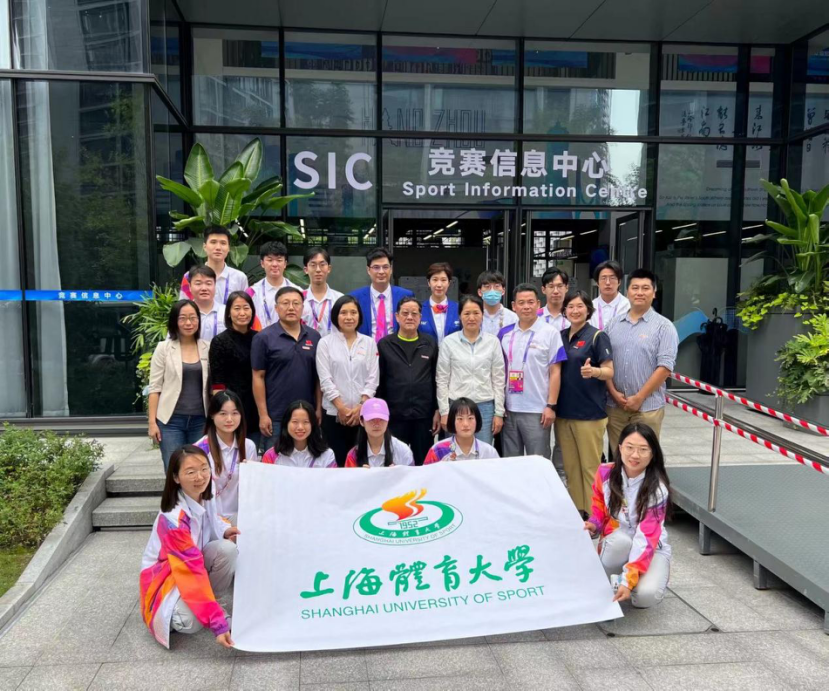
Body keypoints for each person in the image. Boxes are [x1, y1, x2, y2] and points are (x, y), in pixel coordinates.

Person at [140, 445, 240, 649]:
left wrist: (224, 531)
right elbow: (191, 573)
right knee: (192, 622)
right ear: (176, 477)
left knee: (227, 549)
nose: (200, 477)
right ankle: (179, 614)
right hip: (166, 577)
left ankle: (210, 603)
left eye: (204, 468)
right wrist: (219, 625)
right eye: (190, 472)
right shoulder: (173, 520)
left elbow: (213, 518)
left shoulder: (205, 490)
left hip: (191, 564)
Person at [584, 422, 672, 609]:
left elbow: (646, 537)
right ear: (620, 448)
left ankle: (631, 580)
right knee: (621, 541)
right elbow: (599, 505)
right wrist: (594, 524)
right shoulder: (605, 472)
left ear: (653, 454)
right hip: (618, 541)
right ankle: (606, 582)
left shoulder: (658, 489)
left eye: (643, 449)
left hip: (651, 547)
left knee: (645, 597)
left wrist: (628, 580)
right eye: (629, 447)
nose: (635, 455)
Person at [605, 269, 679, 451]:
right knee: (619, 456)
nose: (639, 292)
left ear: (654, 293)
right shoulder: (613, 324)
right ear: (627, 292)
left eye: (645, 288)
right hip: (615, 407)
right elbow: (604, 362)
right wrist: (613, 392)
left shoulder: (664, 327)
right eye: (635, 288)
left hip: (647, 408)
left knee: (644, 457)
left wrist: (639, 397)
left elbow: (665, 367)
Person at [555, 291, 614, 516]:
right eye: (570, 307)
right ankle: (578, 513)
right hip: (564, 413)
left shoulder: (597, 336)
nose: (575, 310)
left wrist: (594, 371)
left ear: (588, 309)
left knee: (590, 468)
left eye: (580, 306)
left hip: (589, 413)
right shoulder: (560, 336)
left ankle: (596, 516)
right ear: (564, 311)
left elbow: (609, 371)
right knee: (571, 468)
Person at [498, 283, 566, 459]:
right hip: (509, 409)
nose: (526, 307)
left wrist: (551, 406)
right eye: (521, 303)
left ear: (538, 304)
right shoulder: (504, 333)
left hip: (537, 410)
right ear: (514, 306)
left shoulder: (550, 333)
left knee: (538, 460)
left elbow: (555, 372)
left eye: (530, 302)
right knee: (511, 461)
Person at [252, 286, 322, 451]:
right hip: (276, 416)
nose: (291, 308)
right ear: (276, 308)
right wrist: (263, 414)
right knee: (274, 459)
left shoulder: (314, 336)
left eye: (296, 303)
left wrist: (318, 409)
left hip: (307, 414)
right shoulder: (263, 338)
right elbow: (257, 377)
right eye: (285, 303)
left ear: (302, 308)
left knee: (306, 459)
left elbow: (318, 378)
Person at [316, 295, 379, 466]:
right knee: (336, 463)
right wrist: (341, 408)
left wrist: (361, 406)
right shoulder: (325, 343)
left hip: (363, 415)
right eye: (343, 313)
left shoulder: (369, 343)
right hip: (334, 414)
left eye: (353, 312)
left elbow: (373, 379)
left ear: (359, 316)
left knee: (361, 463)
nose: (349, 317)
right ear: (336, 316)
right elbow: (325, 380)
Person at [376, 297, 439, 465]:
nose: (410, 317)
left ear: (420, 317)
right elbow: (379, 382)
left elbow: (436, 379)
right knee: (395, 463)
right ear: (397, 316)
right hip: (395, 416)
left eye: (414, 313)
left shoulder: (430, 343)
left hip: (423, 415)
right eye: (405, 313)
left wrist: (437, 410)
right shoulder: (385, 344)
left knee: (423, 463)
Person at [148, 300, 210, 470]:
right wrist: (152, 423)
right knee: (173, 468)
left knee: (199, 468)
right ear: (174, 321)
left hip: (201, 420)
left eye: (193, 318)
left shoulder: (208, 347)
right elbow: (155, 388)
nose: (188, 323)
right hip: (170, 421)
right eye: (182, 318)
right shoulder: (164, 348)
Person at [436, 295, 505, 444]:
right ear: (460, 316)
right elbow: (442, 380)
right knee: (455, 452)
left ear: (482, 315)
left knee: (482, 451)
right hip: (456, 407)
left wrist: (499, 412)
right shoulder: (448, 342)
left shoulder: (493, 342)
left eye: (476, 313)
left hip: (484, 407)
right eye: (467, 313)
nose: (471, 318)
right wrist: (444, 411)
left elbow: (499, 379)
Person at [195, 390, 258, 524]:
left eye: (235, 413)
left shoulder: (248, 446)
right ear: (212, 415)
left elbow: (253, 486)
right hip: (209, 519)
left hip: (239, 516)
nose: (229, 419)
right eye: (223, 413)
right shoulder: (200, 449)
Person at [208, 291, 260, 446]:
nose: (242, 313)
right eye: (237, 308)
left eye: (246, 308)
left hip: (255, 406)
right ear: (229, 313)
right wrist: (222, 410)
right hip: (231, 406)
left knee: (251, 452)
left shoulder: (260, 338)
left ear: (252, 311)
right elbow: (217, 381)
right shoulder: (219, 341)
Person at [351, 249, 414, 342]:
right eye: (376, 267)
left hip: (396, 348)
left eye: (385, 267)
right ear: (368, 270)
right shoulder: (355, 298)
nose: (381, 272)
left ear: (391, 269)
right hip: (365, 348)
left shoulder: (405, 295)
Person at [180, 226, 248, 306]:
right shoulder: (189, 276)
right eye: (213, 242)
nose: (218, 247)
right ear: (204, 246)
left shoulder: (240, 278)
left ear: (228, 248)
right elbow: (182, 308)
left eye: (223, 243)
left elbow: (246, 307)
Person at [261, 400, 336, 468]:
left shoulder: (327, 455)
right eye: (295, 422)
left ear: (312, 424)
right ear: (286, 424)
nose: (300, 427)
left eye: (306, 422)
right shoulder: (271, 455)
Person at [424, 398, 500, 463]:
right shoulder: (438, 450)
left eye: (470, 418)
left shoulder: (489, 452)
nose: (465, 424)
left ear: (477, 420)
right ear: (452, 421)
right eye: (460, 419)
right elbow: (426, 474)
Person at [344, 398, 415, 467]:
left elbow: (411, 474)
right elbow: (349, 475)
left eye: (381, 419)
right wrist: (360, 474)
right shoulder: (353, 455)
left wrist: (397, 473)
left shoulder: (403, 450)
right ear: (361, 421)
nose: (377, 424)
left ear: (388, 420)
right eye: (371, 419)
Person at [247, 241, 297, 331]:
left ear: (285, 264)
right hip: (260, 338)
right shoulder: (252, 292)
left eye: (279, 260)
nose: (274, 264)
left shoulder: (297, 292)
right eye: (270, 260)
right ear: (262, 263)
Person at [302, 246, 343, 338]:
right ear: (306, 270)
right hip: (305, 345)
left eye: (322, 264)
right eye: (313, 265)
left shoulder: (339, 299)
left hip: (333, 346)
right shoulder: (299, 299)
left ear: (329, 268)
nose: (318, 270)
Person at [419, 262, 461, 345]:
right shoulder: (419, 309)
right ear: (428, 282)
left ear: (449, 283)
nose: (439, 285)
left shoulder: (458, 309)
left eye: (443, 280)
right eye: (435, 280)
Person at [188, 265, 226, 343]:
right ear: (190, 287)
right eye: (198, 284)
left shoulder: (226, 312)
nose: (204, 288)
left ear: (215, 286)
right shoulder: (183, 313)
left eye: (208, 284)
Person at [590, 260, 631, 331]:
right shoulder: (590, 307)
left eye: (612, 278)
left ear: (619, 282)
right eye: (603, 278)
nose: (608, 283)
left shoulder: (628, 306)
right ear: (597, 283)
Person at [477, 270, 518, 337]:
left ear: (503, 291)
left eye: (497, 286)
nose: (492, 291)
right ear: (479, 292)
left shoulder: (513, 318)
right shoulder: (473, 317)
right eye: (487, 286)